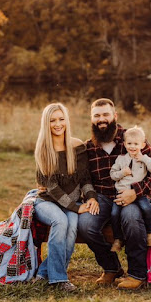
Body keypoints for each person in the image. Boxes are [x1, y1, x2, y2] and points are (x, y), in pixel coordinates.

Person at [77, 98, 151, 289]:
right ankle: (111, 268)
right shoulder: (88, 147)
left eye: (106, 114)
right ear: (91, 119)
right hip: (101, 197)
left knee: (131, 219)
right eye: (97, 115)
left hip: (130, 195)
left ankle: (137, 274)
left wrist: (135, 192)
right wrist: (91, 197)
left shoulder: (133, 138)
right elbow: (85, 180)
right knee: (85, 225)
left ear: (114, 116)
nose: (102, 119)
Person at [33, 103, 99, 291]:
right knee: (61, 221)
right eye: (53, 120)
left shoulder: (77, 146)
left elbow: (85, 178)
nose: (57, 124)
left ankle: (43, 274)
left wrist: (91, 197)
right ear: (46, 123)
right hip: (46, 202)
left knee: (72, 227)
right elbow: (51, 187)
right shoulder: (43, 150)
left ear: (66, 121)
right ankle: (59, 280)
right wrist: (76, 207)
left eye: (61, 119)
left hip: (72, 202)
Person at [109, 126, 151, 252]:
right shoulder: (121, 159)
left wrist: (145, 159)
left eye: (136, 144)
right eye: (129, 143)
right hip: (120, 193)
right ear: (125, 144)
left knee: (146, 209)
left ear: (142, 145)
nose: (132, 147)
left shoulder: (144, 159)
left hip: (138, 193)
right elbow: (113, 175)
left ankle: (149, 233)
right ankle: (118, 239)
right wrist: (122, 173)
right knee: (114, 214)